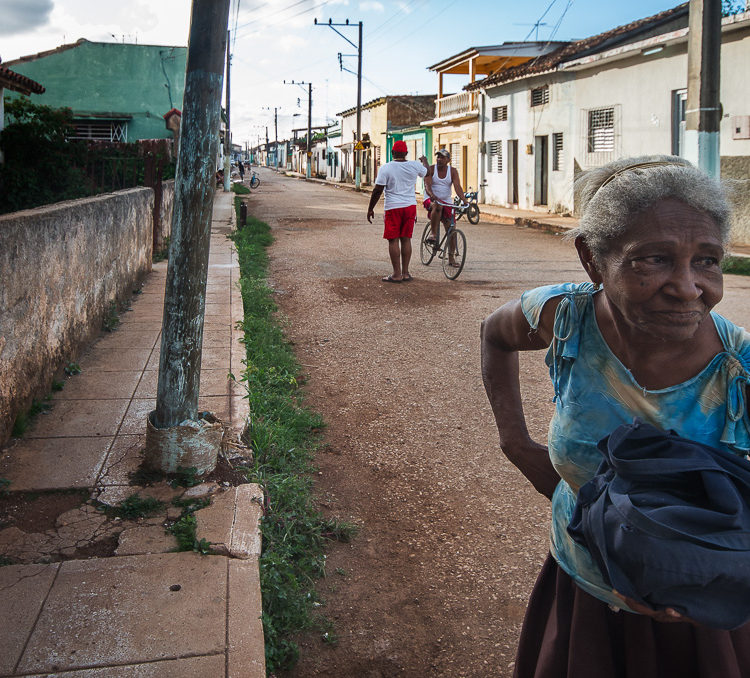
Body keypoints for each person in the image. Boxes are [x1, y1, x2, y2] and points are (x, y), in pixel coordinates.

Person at [480, 155, 750, 677]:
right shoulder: (566, 318)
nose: (688, 287)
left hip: (697, 617)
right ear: (592, 259)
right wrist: (515, 443)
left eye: (708, 260)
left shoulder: (736, 370)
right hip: (580, 583)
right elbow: (494, 334)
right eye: (653, 259)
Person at [366, 140, 428, 283]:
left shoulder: (386, 168)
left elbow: (377, 190)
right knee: (406, 239)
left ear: (392, 153)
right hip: (410, 207)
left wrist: (370, 209)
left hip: (393, 207)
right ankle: (405, 273)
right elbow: (428, 171)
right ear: (406, 153)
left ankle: (396, 274)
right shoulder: (414, 165)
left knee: (393, 239)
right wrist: (424, 160)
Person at [423, 148, 468, 247]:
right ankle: (433, 234)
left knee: (451, 229)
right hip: (430, 199)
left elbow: (457, 187)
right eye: (438, 157)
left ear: (448, 160)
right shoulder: (430, 169)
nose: (439, 159)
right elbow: (427, 186)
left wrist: (464, 200)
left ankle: (451, 258)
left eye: (442, 157)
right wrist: (433, 196)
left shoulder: (453, 171)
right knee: (437, 206)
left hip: (446, 201)